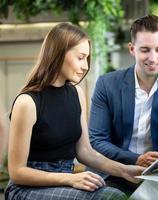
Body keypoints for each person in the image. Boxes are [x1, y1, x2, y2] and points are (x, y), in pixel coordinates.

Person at [5, 22, 144, 200]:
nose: (86, 66)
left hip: (67, 179)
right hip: (26, 189)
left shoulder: (76, 94)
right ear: (58, 53)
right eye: (80, 57)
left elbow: (85, 152)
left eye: (87, 58)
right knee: (110, 197)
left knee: (118, 193)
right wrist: (70, 179)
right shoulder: (27, 102)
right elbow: (17, 172)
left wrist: (124, 171)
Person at [88, 15, 158, 194]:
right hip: (115, 173)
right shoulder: (107, 84)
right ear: (132, 49)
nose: (153, 58)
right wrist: (136, 159)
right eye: (145, 50)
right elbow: (97, 140)